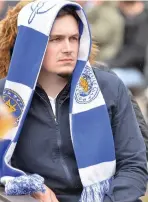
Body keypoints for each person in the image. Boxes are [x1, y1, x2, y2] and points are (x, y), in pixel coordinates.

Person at [0, 1, 147, 202]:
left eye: (74, 38)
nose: (68, 48)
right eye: (56, 39)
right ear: (32, 42)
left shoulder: (109, 87)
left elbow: (134, 165)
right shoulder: (5, 96)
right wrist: (28, 184)